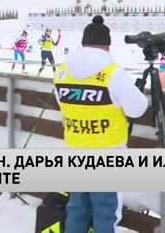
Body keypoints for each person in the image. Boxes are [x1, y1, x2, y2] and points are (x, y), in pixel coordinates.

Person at [53, 15, 148, 233]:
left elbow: (64, 104)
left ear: (83, 43)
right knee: (106, 211)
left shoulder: (62, 71)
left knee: (77, 208)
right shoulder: (111, 73)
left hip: (75, 149)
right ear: (107, 45)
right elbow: (137, 109)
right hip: (108, 151)